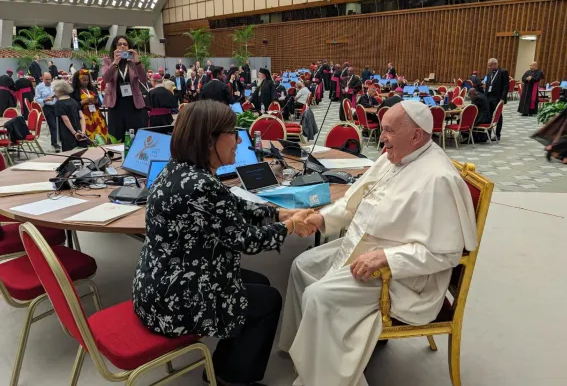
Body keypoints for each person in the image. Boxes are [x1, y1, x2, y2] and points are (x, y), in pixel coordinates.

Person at [279, 101, 478, 386]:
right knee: (301, 265)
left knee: (318, 296)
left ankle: (322, 378)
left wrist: (387, 258)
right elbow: (354, 200)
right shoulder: (393, 155)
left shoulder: (439, 179)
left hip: (404, 277)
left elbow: (443, 253)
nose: (381, 138)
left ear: (416, 136)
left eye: (388, 130)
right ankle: (307, 354)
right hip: (366, 246)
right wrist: (322, 220)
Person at [132, 100, 314, 386]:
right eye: (233, 132)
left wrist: (280, 213)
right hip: (174, 300)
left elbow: (233, 205)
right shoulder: (201, 185)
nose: (239, 140)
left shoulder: (180, 170)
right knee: (268, 300)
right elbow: (246, 240)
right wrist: (291, 225)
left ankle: (223, 365)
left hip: (160, 283)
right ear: (209, 140)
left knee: (259, 282)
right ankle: (233, 378)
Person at [101, 34, 148, 142]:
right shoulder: (108, 61)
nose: (122, 47)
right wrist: (115, 63)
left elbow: (144, 79)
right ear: (114, 47)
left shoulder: (133, 62)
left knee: (136, 137)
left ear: (129, 47)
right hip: (116, 104)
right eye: (119, 44)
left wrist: (137, 62)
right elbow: (106, 79)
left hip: (134, 104)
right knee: (116, 136)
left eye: (125, 44)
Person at [71, 69, 108, 143]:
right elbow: (72, 106)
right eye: (83, 80)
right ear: (78, 80)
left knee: (101, 136)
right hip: (84, 118)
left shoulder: (92, 88)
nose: (86, 82)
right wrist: (83, 102)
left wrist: (97, 101)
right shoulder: (74, 91)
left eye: (87, 80)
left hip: (96, 116)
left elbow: (100, 103)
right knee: (89, 138)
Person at [52, 80, 87, 152]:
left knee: (69, 153)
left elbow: (65, 119)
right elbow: (82, 117)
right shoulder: (74, 101)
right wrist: (83, 131)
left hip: (68, 132)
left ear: (58, 90)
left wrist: (74, 133)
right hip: (79, 130)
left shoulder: (58, 104)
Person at [484, 58, 509, 140]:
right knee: (489, 115)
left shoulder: (503, 72)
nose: (489, 67)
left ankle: (498, 134)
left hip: (498, 98)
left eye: (490, 65)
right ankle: (488, 133)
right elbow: (488, 85)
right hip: (489, 97)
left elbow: (506, 86)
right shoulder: (489, 73)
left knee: (498, 116)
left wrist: (503, 98)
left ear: (495, 64)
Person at [35, 73, 59, 152]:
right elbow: (37, 99)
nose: (48, 81)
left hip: (56, 105)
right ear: (42, 79)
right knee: (53, 126)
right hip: (47, 107)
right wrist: (45, 100)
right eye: (46, 79)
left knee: (59, 124)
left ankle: (59, 140)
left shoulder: (54, 85)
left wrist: (57, 95)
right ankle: (55, 143)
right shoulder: (39, 87)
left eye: (50, 79)